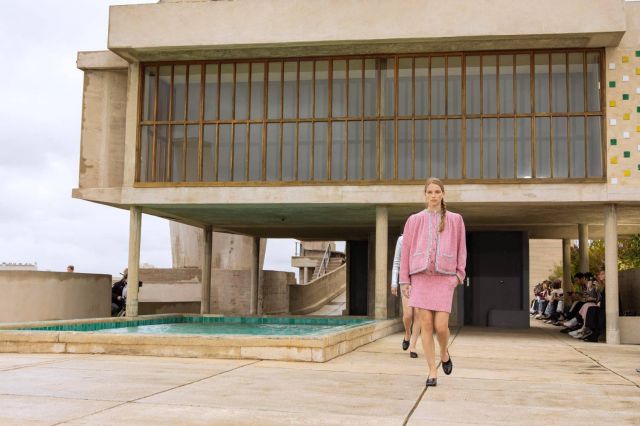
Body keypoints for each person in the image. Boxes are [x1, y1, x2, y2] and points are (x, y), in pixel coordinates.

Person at [399, 177, 467, 388]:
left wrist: (459, 275)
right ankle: (432, 371)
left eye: (437, 192)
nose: (434, 195)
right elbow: (405, 251)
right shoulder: (414, 220)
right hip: (420, 278)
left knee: (441, 326)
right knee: (426, 325)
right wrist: (404, 280)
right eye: (430, 192)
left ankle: (444, 352)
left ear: (443, 194)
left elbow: (462, 248)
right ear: (425, 195)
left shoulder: (456, 219)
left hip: (444, 279)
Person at [391, 233, 421, 358]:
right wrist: (394, 283)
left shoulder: (423, 237)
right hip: (405, 280)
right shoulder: (402, 239)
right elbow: (396, 262)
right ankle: (407, 333)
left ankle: (413, 346)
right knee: (408, 315)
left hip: (420, 280)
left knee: (418, 314)